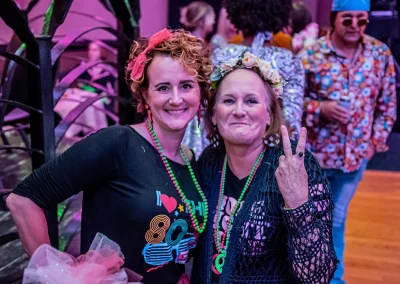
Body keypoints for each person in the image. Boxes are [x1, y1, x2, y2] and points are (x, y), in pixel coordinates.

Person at [6, 28, 212, 284]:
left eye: (186, 85)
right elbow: (23, 200)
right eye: (162, 87)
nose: (176, 98)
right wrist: (58, 275)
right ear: (145, 95)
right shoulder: (117, 143)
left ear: (201, 93)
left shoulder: (193, 161)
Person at [191, 50, 337, 283]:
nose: (239, 111)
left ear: (269, 115)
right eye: (229, 100)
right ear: (214, 115)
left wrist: (297, 203)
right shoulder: (208, 162)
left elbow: (317, 277)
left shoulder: (296, 165)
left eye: (251, 101)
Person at [298, 1, 397, 283]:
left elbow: (388, 105)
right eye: (347, 19)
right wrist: (321, 108)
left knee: (337, 220)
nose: (355, 25)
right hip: (314, 158)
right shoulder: (311, 53)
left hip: (353, 161)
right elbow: (291, 104)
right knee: (309, 221)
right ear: (333, 19)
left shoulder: (380, 54)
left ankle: (333, 278)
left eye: (362, 20)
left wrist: (372, 144)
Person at [212, 0, 305, 137]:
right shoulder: (288, 60)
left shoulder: (221, 56)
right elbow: (292, 117)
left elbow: (209, 114)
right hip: (274, 147)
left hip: (226, 144)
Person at [179, 1, 215, 158]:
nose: (213, 22)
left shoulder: (189, 40)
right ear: (202, 21)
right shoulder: (196, 45)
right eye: (210, 18)